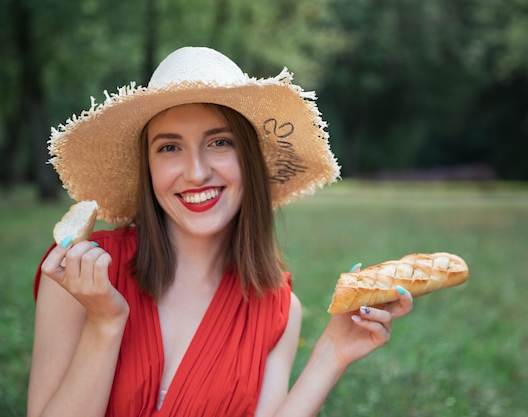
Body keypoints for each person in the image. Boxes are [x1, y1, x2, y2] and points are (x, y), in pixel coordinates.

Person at [27, 46, 413, 417]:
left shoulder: (277, 308)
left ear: (250, 159)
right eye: (169, 148)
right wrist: (104, 322)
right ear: (147, 168)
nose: (196, 172)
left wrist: (333, 352)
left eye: (219, 142)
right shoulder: (79, 274)